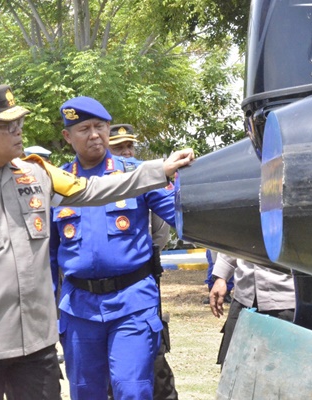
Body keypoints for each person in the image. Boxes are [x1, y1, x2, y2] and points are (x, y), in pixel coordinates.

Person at [0, 85, 194, 400]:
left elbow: (92, 189)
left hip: (36, 350)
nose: (19, 131)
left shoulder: (37, 173)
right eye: (8, 126)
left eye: (19, 122)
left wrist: (161, 169)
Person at [50, 98, 178, 400]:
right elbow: (48, 255)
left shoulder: (137, 174)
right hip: (78, 307)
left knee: (131, 390)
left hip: (132, 303)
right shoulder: (56, 183)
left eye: (100, 127)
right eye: (84, 128)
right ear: (68, 136)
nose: (95, 134)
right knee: (85, 393)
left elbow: (184, 216)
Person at [107, 123, 177, 400]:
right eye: (119, 147)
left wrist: (143, 255)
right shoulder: (92, 181)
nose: (126, 151)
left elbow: (161, 230)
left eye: (129, 146)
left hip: (141, 281)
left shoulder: (144, 177)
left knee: (153, 353)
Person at [208, 252, 295, 368]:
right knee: (231, 368)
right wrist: (220, 277)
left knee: (282, 369)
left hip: (286, 300)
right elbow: (234, 238)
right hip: (243, 298)